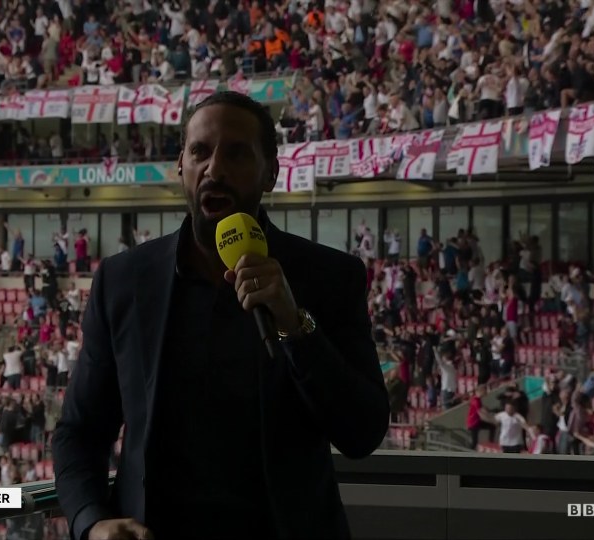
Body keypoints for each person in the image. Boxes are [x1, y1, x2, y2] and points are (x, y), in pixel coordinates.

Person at [52, 91, 390, 540]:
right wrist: (91, 522)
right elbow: (79, 431)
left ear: (271, 172)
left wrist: (295, 324)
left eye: (235, 153)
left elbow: (362, 432)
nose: (214, 169)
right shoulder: (124, 281)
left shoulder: (330, 278)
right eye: (200, 152)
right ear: (181, 168)